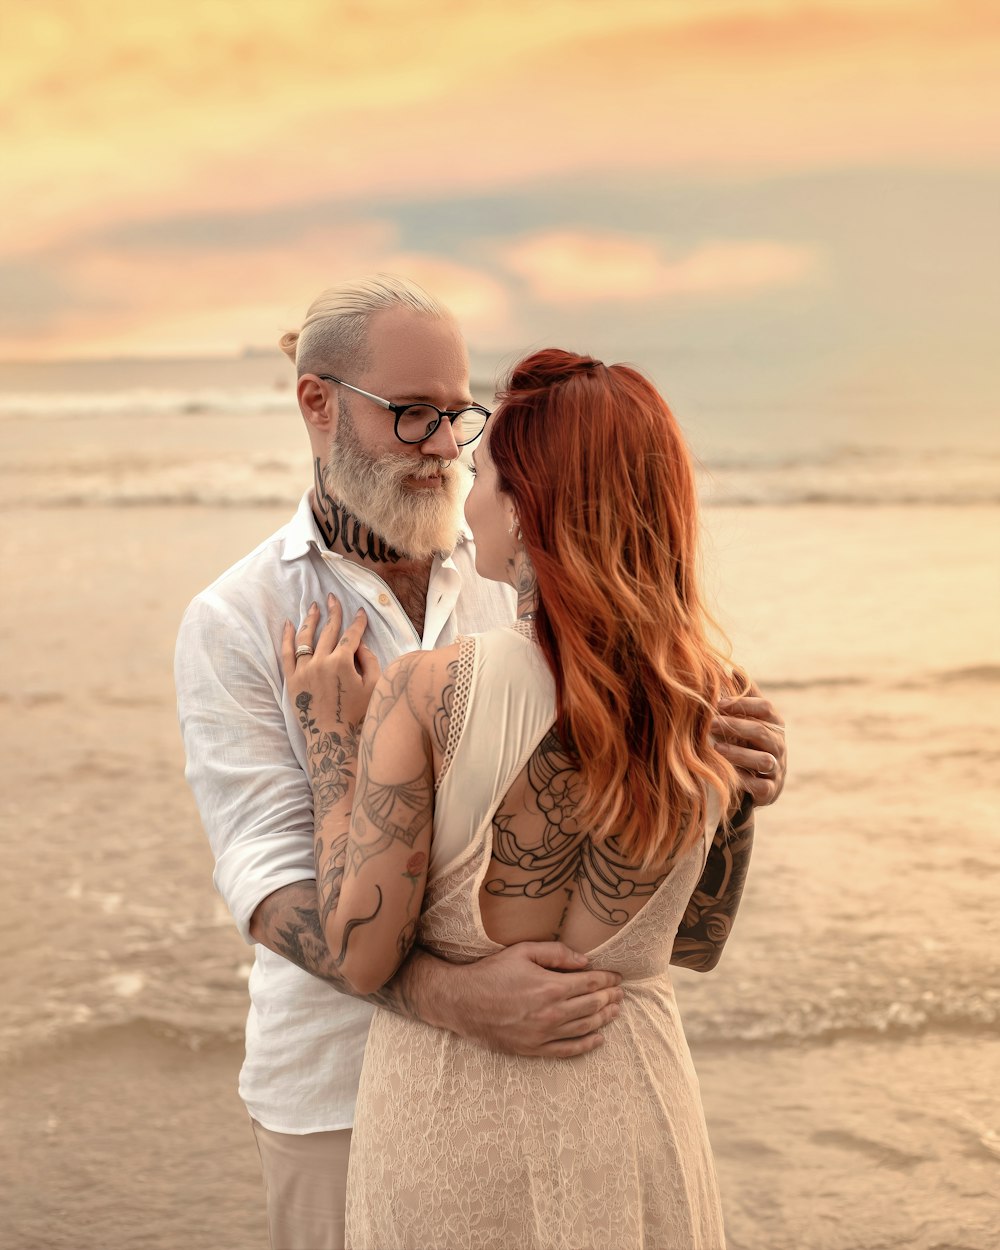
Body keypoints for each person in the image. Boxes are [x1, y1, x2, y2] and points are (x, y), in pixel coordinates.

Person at [174, 276, 787, 1250]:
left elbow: (661, 908)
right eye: (411, 415)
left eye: (458, 416)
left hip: (578, 1068)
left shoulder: (516, 570)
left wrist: (721, 790)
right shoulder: (239, 619)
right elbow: (266, 885)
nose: (444, 449)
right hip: (336, 1087)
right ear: (316, 403)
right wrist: (455, 996)